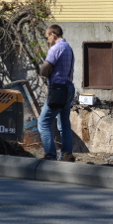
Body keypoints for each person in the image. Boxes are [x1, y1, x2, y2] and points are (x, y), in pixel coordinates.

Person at [38, 24, 76, 161]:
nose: (47, 40)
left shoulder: (55, 49)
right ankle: (67, 154)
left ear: (53, 35)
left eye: (47, 37)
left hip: (58, 89)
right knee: (64, 123)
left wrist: (44, 73)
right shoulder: (68, 48)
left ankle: (50, 155)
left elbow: (45, 69)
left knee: (43, 122)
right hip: (69, 88)